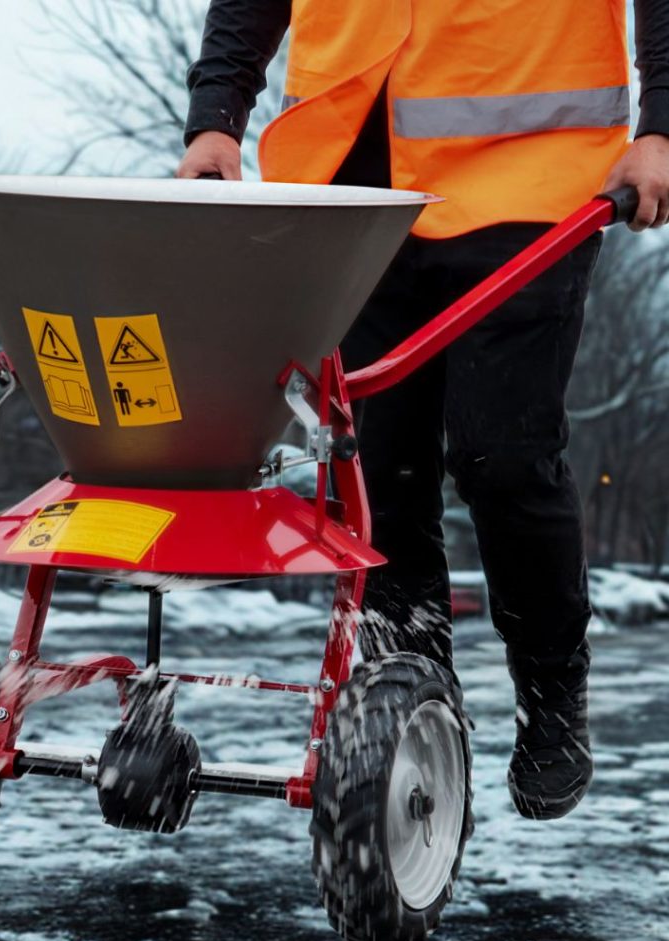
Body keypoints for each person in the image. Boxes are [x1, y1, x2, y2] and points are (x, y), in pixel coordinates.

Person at [177, 1, 669, 820]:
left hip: (530, 177)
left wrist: (661, 126)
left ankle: (550, 694)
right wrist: (216, 116)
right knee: (378, 476)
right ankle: (411, 709)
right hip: (351, 181)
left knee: (501, 455)